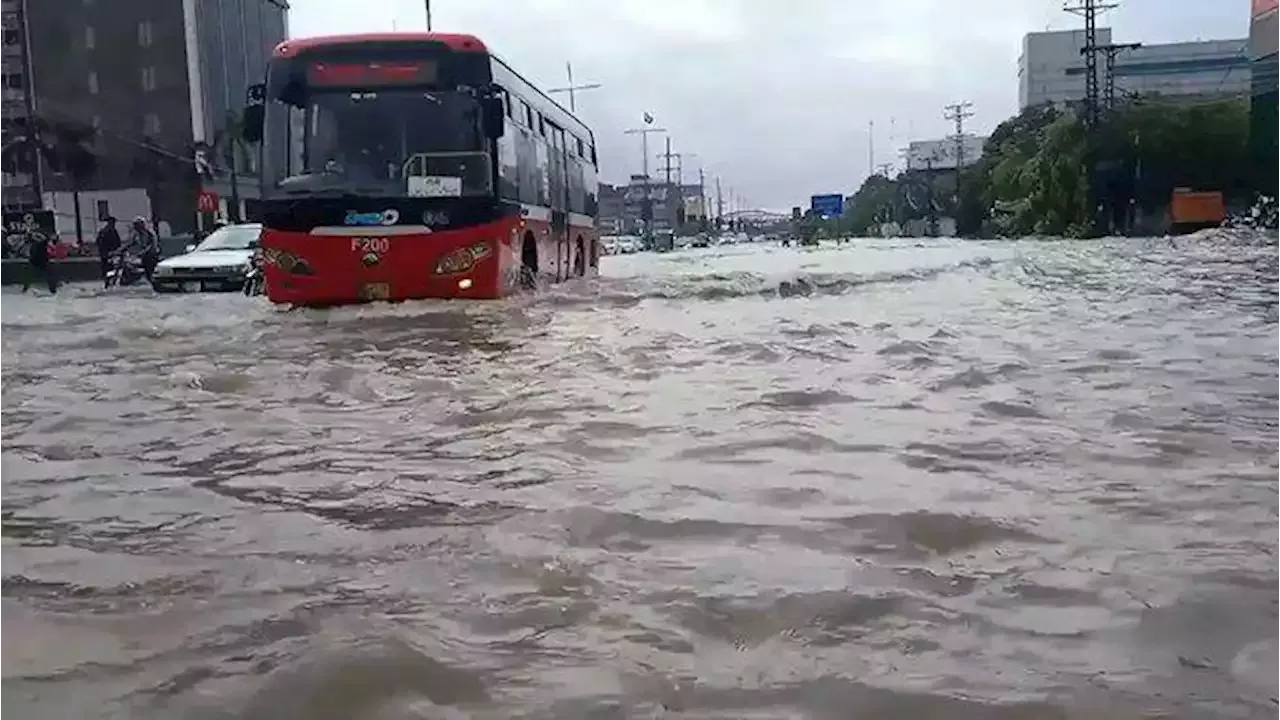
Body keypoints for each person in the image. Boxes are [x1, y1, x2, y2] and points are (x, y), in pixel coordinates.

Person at [20, 225, 57, 294]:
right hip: (35, 260)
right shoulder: (33, 238)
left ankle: (53, 290)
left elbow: (49, 239)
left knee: (51, 274)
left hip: (43, 260)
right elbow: (27, 239)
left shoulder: (44, 239)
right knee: (28, 274)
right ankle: (25, 289)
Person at [128, 216, 161, 283]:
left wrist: (142, 252)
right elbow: (131, 243)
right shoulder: (138, 233)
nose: (136, 227)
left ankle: (154, 283)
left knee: (149, 269)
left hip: (151, 254)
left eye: (137, 225)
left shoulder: (150, 233)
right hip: (144, 255)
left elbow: (151, 245)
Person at [95, 216, 122, 288]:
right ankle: (107, 282)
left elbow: (118, 243)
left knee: (111, 268)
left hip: (112, 254)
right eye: (112, 223)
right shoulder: (104, 232)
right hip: (106, 254)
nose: (113, 224)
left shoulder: (113, 231)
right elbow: (99, 242)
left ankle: (110, 282)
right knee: (107, 268)